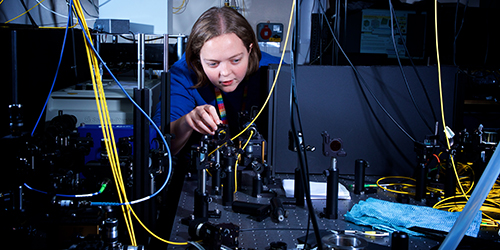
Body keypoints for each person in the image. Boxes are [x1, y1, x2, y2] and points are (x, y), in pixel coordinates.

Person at [153, 6, 281, 157]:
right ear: (198, 59)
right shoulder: (183, 75)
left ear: (250, 49)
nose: (225, 73)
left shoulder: (278, 72)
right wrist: (187, 122)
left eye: (235, 60)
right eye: (213, 63)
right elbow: (159, 145)